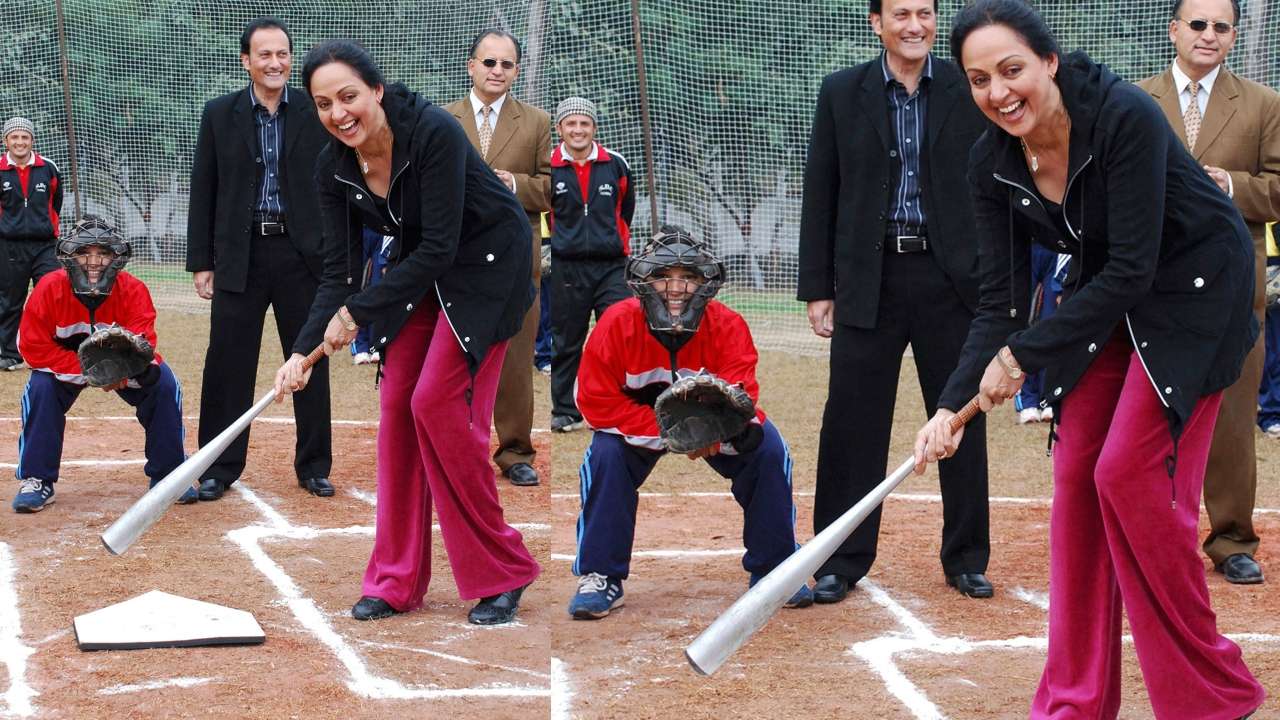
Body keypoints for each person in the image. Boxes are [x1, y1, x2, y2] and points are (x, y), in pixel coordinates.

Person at [914, 1, 1265, 716]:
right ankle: (1075, 701)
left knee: (1126, 476)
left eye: (1011, 70)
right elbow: (1000, 305)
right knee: (1078, 473)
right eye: (979, 79)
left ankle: (1212, 692)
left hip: (1197, 288)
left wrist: (1022, 356)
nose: (998, 92)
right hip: (1109, 290)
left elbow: (1135, 268)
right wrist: (951, 407)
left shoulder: (1122, 114)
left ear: (1048, 62)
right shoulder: (991, 161)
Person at [274, 39, 539, 625]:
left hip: (488, 266)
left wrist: (359, 313)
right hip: (420, 270)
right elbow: (339, 273)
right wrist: (301, 349)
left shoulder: (433, 132)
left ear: (376, 91)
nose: (338, 113)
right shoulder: (333, 167)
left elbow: (444, 246)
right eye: (322, 104)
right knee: (397, 407)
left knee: (435, 405)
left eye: (348, 97)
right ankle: (395, 580)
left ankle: (503, 569)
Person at [797, 0, 993, 603]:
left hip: (952, 280)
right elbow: (821, 189)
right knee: (852, 423)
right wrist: (818, 288)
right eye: (901, 13)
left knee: (960, 417)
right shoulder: (841, 92)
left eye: (926, 13)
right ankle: (840, 559)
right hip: (868, 279)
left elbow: (996, 182)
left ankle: (966, 557)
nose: (915, 25)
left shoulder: (969, 88)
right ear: (875, 22)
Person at [567, 227, 812, 618]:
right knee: (605, 455)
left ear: (705, 284)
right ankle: (601, 574)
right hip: (639, 426)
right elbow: (595, 401)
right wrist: (672, 432)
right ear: (643, 282)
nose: (676, 288)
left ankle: (775, 566)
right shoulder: (616, 323)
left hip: (712, 427)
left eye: (688, 277)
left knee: (766, 448)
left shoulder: (727, 325)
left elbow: (743, 397)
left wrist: (718, 430)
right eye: (664, 276)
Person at [1136, 0, 1280, 586]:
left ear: (1233, 36)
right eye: (1198, 24)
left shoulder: (1265, 104)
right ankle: (1149, 536)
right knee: (1146, 419)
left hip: (1230, 289)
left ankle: (1231, 539)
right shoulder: (1136, 99)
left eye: (1222, 26)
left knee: (1233, 415)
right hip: (1151, 285)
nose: (1209, 35)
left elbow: (1278, 188)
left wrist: (1230, 184)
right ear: (1174, 30)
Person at [186, 16, 334, 502]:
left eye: (283, 54)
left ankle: (314, 464)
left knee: (309, 358)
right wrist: (201, 261)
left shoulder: (317, 113)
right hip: (239, 256)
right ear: (247, 61)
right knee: (227, 364)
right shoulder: (216, 113)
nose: (275, 63)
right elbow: (204, 190)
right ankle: (217, 467)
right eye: (265, 55)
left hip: (302, 255)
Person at [12, 217, 196, 512]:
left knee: (163, 383)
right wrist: (90, 370)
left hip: (121, 367)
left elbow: (144, 344)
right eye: (84, 252)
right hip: (66, 365)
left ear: (116, 257)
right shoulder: (49, 288)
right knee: (40, 387)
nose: (94, 261)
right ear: (69, 256)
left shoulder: (133, 290)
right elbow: (32, 347)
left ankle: (169, 474)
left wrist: (121, 370)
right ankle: (37, 478)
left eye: (104, 253)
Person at [444, 28, 552, 487]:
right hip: (454, 258)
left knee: (514, 356)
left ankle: (515, 451)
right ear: (471, 65)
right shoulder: (441, 118)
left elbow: (553, 187)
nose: (497, 71)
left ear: (517, 71)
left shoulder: (537, 122)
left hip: (515, 258)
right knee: (451, 357)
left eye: (506, 64)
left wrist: (516, 185)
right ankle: (452, 447)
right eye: (489, 62)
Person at [547, 96, 634, 434]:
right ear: (560, 129)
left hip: (612, 266)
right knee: (566, 340)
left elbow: (625, 210)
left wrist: (608, 240)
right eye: (571, 123)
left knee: (619, 335)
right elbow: (543, 213)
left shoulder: (617, 165)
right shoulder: (549, 166)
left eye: (585, 123)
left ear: (594, 128)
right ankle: (566, 411)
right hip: (567, 268)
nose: (578, 130)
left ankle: (620, 406)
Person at [0, 116, 62, 372]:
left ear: (32, 141)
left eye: (25, 137)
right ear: (6, 141)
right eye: (14, 137)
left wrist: (44, 227)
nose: (20, 142)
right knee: (10, 300)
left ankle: (52, 351)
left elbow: (55, 202)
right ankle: (9, 355)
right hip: (9, 246)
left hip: (45, 245)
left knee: (50, 296)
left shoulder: (48, 168)